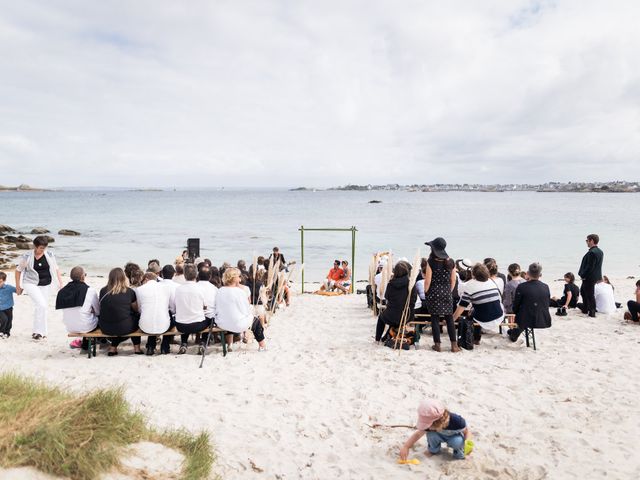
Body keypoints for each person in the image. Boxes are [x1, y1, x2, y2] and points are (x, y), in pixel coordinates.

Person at [14, 235, 63, 340]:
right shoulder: (27, 256)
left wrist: (61, 283)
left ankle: (38, 332)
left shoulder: (49, 254)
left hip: (46, 284)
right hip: (30, 283)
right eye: (41, 247)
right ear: (35, 246)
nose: (43, 250)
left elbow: (56, 269)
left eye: (44, 247)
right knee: (42, 305)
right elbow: (18, 271)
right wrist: (18, 286)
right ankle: (40, 332)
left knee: (40, 307)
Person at [399, 399, 470, 461]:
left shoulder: (457, 421)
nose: (427, 427)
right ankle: (433, 450)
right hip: (438, 435)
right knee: (431, 434)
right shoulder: (430, 425)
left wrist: (468, 444)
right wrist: (406, 447)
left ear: (438, 422)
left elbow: (467, 432)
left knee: (457, 442)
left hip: (454, 436)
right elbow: (418, 434)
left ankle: (459, 454)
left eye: (428, 425)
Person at [215, 267, 266, 351]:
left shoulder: (219, 290)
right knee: (256, 322)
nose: (240, 279)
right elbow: (245, 311)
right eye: (238, 276)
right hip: (236, 324)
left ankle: (230, 344)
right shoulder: (240, 292)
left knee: (233, 317)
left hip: (222, 323)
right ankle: (262, 346)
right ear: (234, 278)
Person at [453, 263, 504, 344]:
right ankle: (477, 338)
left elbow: (462, 306)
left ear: (473, 274)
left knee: (471, 315)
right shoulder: (491, 281)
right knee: (477, 309)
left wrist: (452, 320)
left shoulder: (470, 285)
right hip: (499, 315)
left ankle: (476, 339)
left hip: (484, 319)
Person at [423, 237, 459, 353]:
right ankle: (454, 345)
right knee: (449, 319)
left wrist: (426, 292)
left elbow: (427, 280)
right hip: (447, 293)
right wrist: (449, 290)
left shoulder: (431, 262)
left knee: (435, 318)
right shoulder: (451, 262)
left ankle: (437, 345)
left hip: (434, 293)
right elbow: (453, 280)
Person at [99, 267, 141, 356]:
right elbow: (136, 309)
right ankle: (137, 348)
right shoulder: (129, 291)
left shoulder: (103, 291)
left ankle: (113, 348)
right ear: (123, 277)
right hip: (124, 327)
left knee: (118, 318)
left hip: (105, 328)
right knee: (135, 317)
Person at [55, 266, 100, 349]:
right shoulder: (90, 291)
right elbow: (98, 311)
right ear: (83, 277)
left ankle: (86, 342)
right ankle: (99, 341)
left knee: (83, 315)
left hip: (69, 326)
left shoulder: (63, 291)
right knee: (97, 318)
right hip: (86, 326)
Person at [507, 263, 552, 342]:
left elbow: (516, 306)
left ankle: (514, 335)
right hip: (543, 318)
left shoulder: (522, 287)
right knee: (526, 311)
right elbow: (547, 302)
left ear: (527, 273)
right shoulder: (546, 286)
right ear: (540, 275)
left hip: (526, 319)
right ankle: (513, 333)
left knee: (522, 315)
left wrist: (514, 312)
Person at [374, 261, 417, 343]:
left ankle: (377, 339)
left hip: (393, 314)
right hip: (407, 315)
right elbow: (413, 300)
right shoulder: (411, 284)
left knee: (381, 318)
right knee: (395, 317)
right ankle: (386, 337)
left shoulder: (391, 284)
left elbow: (387, 297)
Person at [136, 272, 174, 356]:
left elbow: (139, 309)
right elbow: (172, 307)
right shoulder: (166, 288)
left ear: (146, 279)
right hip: (164, 326)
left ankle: (150, 346)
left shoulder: (139, 289)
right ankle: (165, 347)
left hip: (145, 326)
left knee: (150, 313)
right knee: (169, 316)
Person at [174, 264, 209, 354]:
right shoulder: (200, 288)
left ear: (184, 275)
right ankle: (203, 342)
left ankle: (184, 343)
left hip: (181, 326)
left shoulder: (178, 289)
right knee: (209, 319)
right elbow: (205, 306)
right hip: (198, 325)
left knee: (186, 317)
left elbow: (175, 305)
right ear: (196, 274)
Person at [578, 234, 604, 317]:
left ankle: (591, 311)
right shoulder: (600, 251)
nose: (586, 242)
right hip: (595, 276)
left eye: (587, 240)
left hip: (589, 277)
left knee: (589, 294)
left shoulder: (592, 252)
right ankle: (586, 308)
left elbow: (590, 266)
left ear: (592, 241)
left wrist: (583, 274)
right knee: (583, 291)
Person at [0, 271, 19, 339]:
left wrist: (22, 287)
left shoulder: (9, 287)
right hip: (0, 309)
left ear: (4, 280)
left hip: (9, 307)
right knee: (4, 319)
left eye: (0, 282)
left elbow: (18, 291)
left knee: (9, 320)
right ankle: (1, 331)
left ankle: (7, 332)